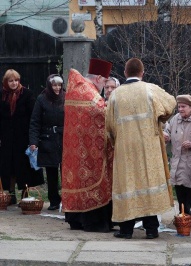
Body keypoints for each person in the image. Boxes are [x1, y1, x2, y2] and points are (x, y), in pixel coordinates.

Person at [106, 58, 176, 239]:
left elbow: (110, 126)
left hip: (125, 148)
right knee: (148, 185)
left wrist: (116, 142)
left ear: (125, 73)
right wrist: (161, 119)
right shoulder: (150, 89)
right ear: (142, 73)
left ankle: (126, 230)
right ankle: (151, 229)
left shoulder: (115, 95)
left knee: (127, 185)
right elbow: (171, 103)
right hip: (148, 147)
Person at [62, 58, 114, 232]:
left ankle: (76, 219)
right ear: (99, 78)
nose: (104, 86)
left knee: (76, 180)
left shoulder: (78, 88)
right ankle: (94, 222)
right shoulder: (89, 93)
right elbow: (102, 113)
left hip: (75, 148)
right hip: (89, 151)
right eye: (105, 82)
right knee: (91, 180)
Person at [0, 69, 44, 205]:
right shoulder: (2, 95)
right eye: (11, 81)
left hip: (23, 137)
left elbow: (34, 117)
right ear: (6, 82)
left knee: (24, 167)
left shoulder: (27, 94)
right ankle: (11, 194)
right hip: (6, 138)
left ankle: (25, 195)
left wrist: (33, 139)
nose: (14, 83)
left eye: (16, 80)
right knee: (9, 167)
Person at [163, 94, 191, 227]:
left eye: (184, 107)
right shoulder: (175, 119)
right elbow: (168, 131)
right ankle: (184, 216)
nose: (181, 109)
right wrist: (166, 135)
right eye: (179, 107)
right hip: (178, 161)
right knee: (181, 191)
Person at [29, 74, 65, 210]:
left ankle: (67, 199)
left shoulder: (66, 97)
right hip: (48, 138)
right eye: (54, 85)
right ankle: (54, 200)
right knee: (51, 171)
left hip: (63, 137)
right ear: (50, 86)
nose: (57, 88)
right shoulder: (42, 99)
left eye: (59, 85)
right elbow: (35, 122)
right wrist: (34, 141)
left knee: (65, 170)